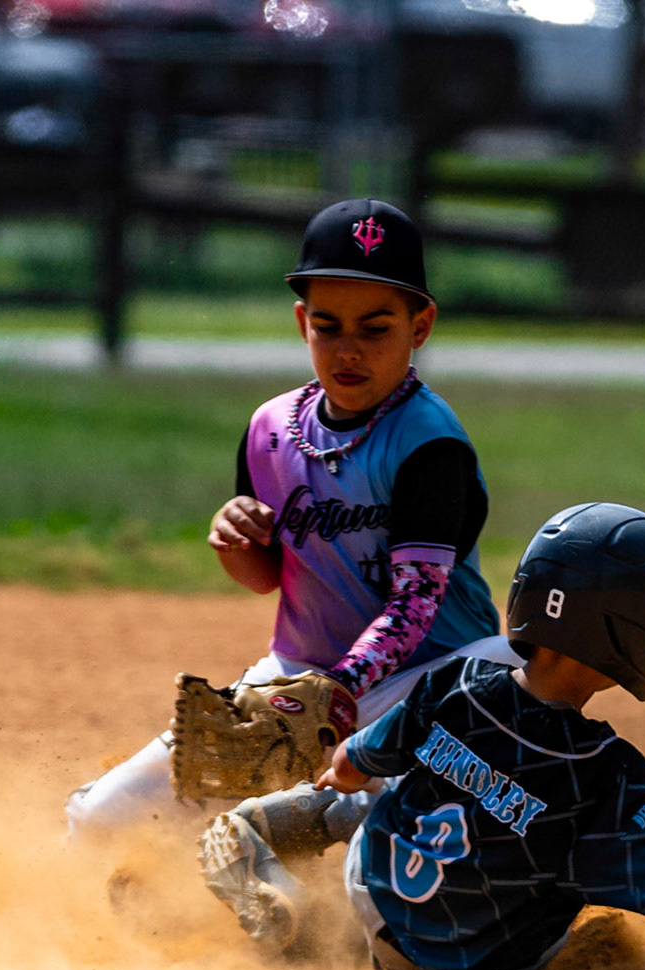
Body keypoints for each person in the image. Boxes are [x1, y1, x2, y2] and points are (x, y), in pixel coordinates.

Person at [202, 502, 645, 970]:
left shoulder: (453, 685)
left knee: (369, 791)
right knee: (566, 861)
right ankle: (327, 930)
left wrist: (339, 776)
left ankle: (257, 849)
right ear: (631, 638)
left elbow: (347, 766)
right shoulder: (605, 775)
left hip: (378, 897)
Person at [65, 198, 518, 842]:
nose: (348, 350)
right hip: (299, 676)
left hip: (430, 680)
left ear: (420, 327)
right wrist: (235, 537)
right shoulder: (272, 430)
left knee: (379, 806)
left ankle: (330, 864)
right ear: (302, 321)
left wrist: (336, 697)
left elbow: (416, 604)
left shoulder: (428, 443)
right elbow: (267, 578)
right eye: (328, 327)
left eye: (375, 328)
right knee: (100, 820)